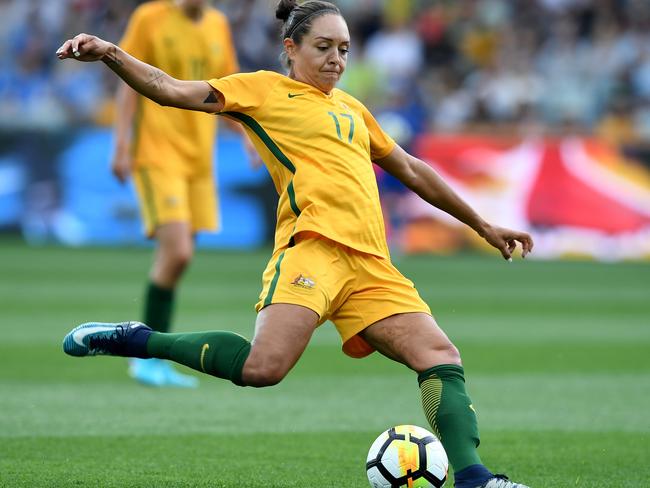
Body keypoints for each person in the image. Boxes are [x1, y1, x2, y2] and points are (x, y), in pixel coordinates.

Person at [57, 1, 533, 486]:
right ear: (292, 47)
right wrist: (112, 53)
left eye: (344, 50)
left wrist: (483, 225)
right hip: (312, 249)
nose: (336, 60)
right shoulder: (263, 90)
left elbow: (411, 169)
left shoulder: (352, 108)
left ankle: (475, 478)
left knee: (439, 355)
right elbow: (169, 89)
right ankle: (138, 339)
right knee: (263, 368)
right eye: (323, 47)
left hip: (370, 264)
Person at [110, 0, 240, 387]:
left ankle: (153, 358)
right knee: (177, 250)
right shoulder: (150, 18)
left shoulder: (218, 24)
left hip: (200, 161)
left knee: (180, 259)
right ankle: (144, 357)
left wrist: (247, 136)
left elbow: (228, 90)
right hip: (157, 154)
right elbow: (127, 79)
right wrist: (121, 144)